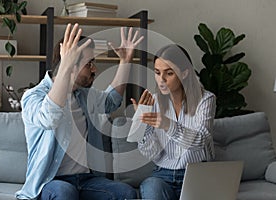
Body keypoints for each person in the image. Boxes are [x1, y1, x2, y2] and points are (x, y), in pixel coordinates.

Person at [16, 23, 143, 200]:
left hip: (85, 180)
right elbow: (48, 119)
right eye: (89, 63)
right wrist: (65, 65)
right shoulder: (33, 96)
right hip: (51, 181)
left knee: (125, 193)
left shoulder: (83, 96)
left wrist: (125, 61)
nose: (94, 69)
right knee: (65, 193)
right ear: (71, 65)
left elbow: (111, 102)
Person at [130, 44, 216, 200]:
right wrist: (142, 124)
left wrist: (167, 124)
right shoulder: (153, 101)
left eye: (169, 73)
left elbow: (201, 140)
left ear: (184, 73)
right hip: (162, 175)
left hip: (196, 173)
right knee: (151, 189)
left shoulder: (206, 99)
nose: (161, 80)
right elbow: (151, 152)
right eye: (157, 73)